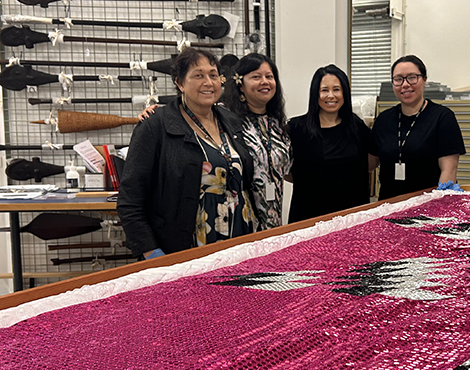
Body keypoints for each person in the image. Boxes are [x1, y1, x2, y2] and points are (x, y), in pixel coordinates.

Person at [118, 48, 256, 259]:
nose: (208, 82)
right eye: (198, 75)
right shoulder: (156, 126)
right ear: (180, 83)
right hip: (184, 247)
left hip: (239, 241)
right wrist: (151, 252)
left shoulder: (230, 121)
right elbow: (130, 199)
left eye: (213, 74)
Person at [286, 64, 376, 223]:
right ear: (315, 93)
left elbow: (370, 163)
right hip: (309, 217)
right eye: (324, 90)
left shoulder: (356, 126)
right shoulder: (296, 128)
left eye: (336, 89)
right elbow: (286, 172)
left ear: (345, 93)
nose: (331, 95)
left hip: (351, 218)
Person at [371, 55, 466, 200]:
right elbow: (370, 163)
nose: (405, 84)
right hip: (388, 205)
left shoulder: (442, 117)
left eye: (412, 77)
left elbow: (449, 170)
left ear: (424, 80)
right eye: (398, 79)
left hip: (427, 206)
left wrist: (439, 205)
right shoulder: (383, 120)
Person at [219, 53, 293, 230]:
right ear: (240, 84)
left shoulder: (277, 124)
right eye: (256, 77)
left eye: (269, 77)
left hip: (273, 219)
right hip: (238, 220)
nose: (265, 82)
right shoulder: (224, 120)